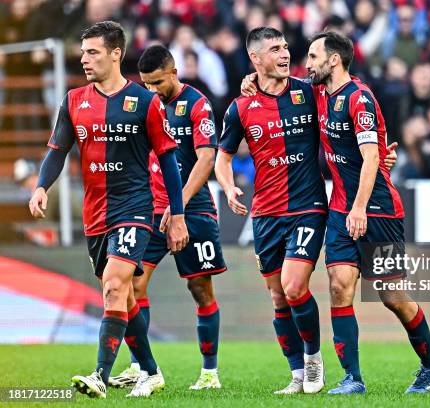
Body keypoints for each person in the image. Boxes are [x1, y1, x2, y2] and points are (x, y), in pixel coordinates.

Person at [28, 21, 188, 399]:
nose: (84, 59)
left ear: (116, 53)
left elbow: (168, 161)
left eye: (93, 52)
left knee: (115, 286)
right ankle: (150, 371)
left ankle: (100, 374)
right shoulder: (73, 101)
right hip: (94, 213)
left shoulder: (145, 102)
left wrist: (177, 214)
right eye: (83, 52)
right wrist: (40, 187)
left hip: (134, 207)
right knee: (123, 297)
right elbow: (57, 151)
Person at [305, 31, 430, 395]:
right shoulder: (319, 92)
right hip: (340, 208)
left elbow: (371, 156)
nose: (308, 64)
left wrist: (360, 207)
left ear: (333, 60)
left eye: (313, 56)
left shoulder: (359, 99)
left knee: (391, 295)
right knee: (339, 287)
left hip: (378, 210)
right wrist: (251, 80)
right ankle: (352, 378)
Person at [216, 27, 327, 395]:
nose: (284, 54)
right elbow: (223, 158)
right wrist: (229, 185)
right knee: (279, 296)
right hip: (266, 213)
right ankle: (296, 373)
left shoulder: (308, 92)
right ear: (256, 59)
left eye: (285, 47)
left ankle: (313, 360)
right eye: (275, 49)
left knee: (295, 286)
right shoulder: (240, 107)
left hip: (307, 206)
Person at [108, 44, 226, 392]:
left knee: (199, 287)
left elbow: (206, 159)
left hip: (193, 209)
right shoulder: (145, 105)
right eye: (145, 83)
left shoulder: (197, 104)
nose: (151, 90)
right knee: (132, 284)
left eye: (157, 82)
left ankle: (209, 373)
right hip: (149, 210)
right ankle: (139, 365)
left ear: (174, 73)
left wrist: (180, 206)